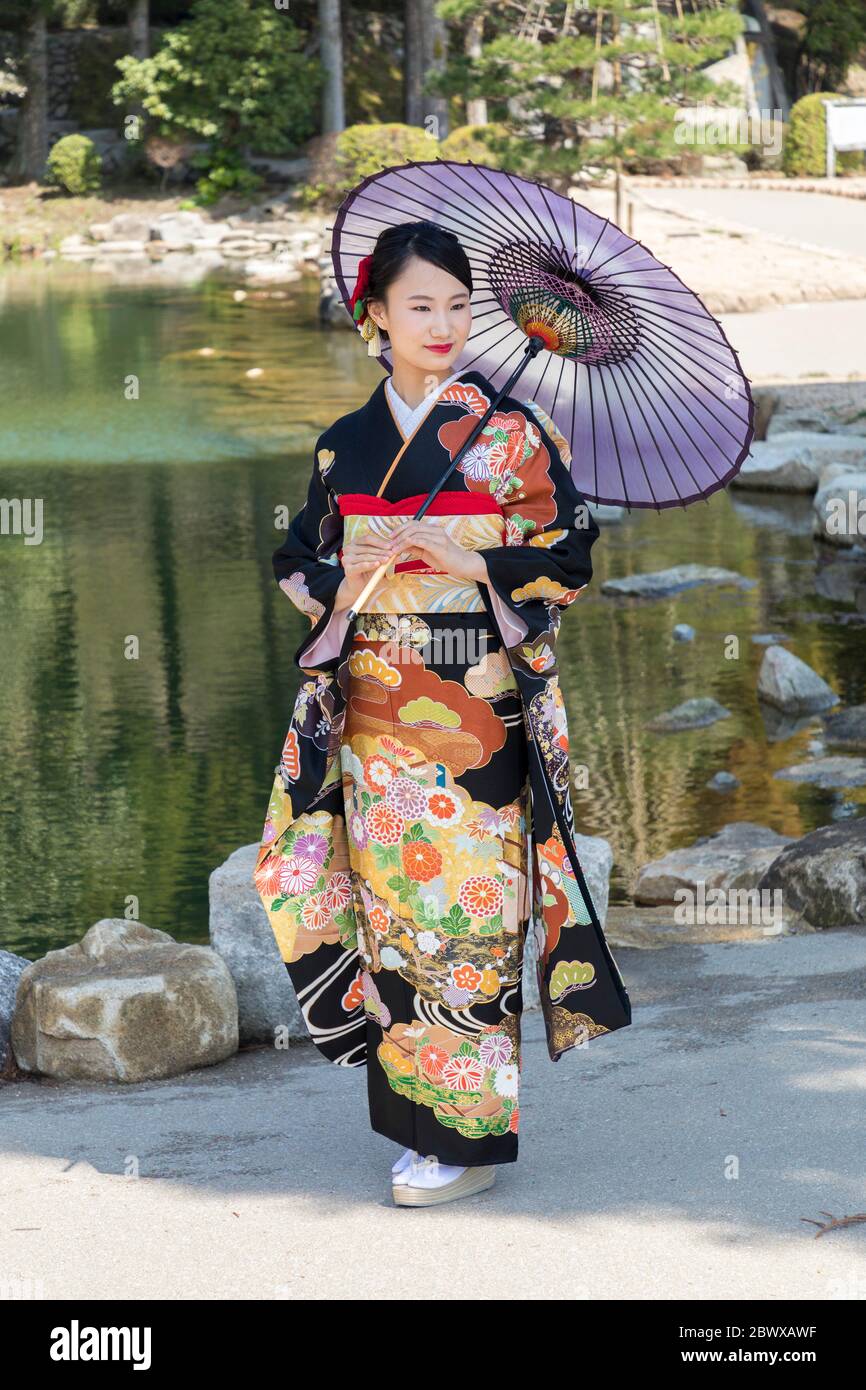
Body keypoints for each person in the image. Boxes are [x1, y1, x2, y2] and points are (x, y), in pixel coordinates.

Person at [253, 219, 631, 1208]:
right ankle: (417, 1126)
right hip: (379, 725)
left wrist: (477, 562)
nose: (443, 323)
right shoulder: (345, 446)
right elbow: (296, 558)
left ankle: (467, 1139)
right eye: (420, 305)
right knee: (393, 919)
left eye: (458, 305)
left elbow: (569, 557)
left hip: (475, 712)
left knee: (464, 917)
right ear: (373, 317)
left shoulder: (512, 437)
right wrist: (341, 582)